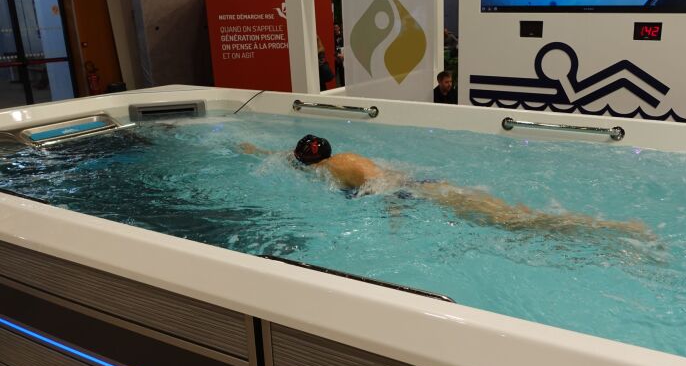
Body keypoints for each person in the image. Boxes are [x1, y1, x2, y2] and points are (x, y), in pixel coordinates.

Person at [239, 135, 649, 237]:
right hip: (421, 185)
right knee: (510, 217)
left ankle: (613, 230)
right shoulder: (330, 161)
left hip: (415, 190)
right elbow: (278, 155)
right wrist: (249, 147)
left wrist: (393, 208)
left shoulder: (338, 165)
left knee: (510, 222)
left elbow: (380, 181)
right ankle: (603, 229)